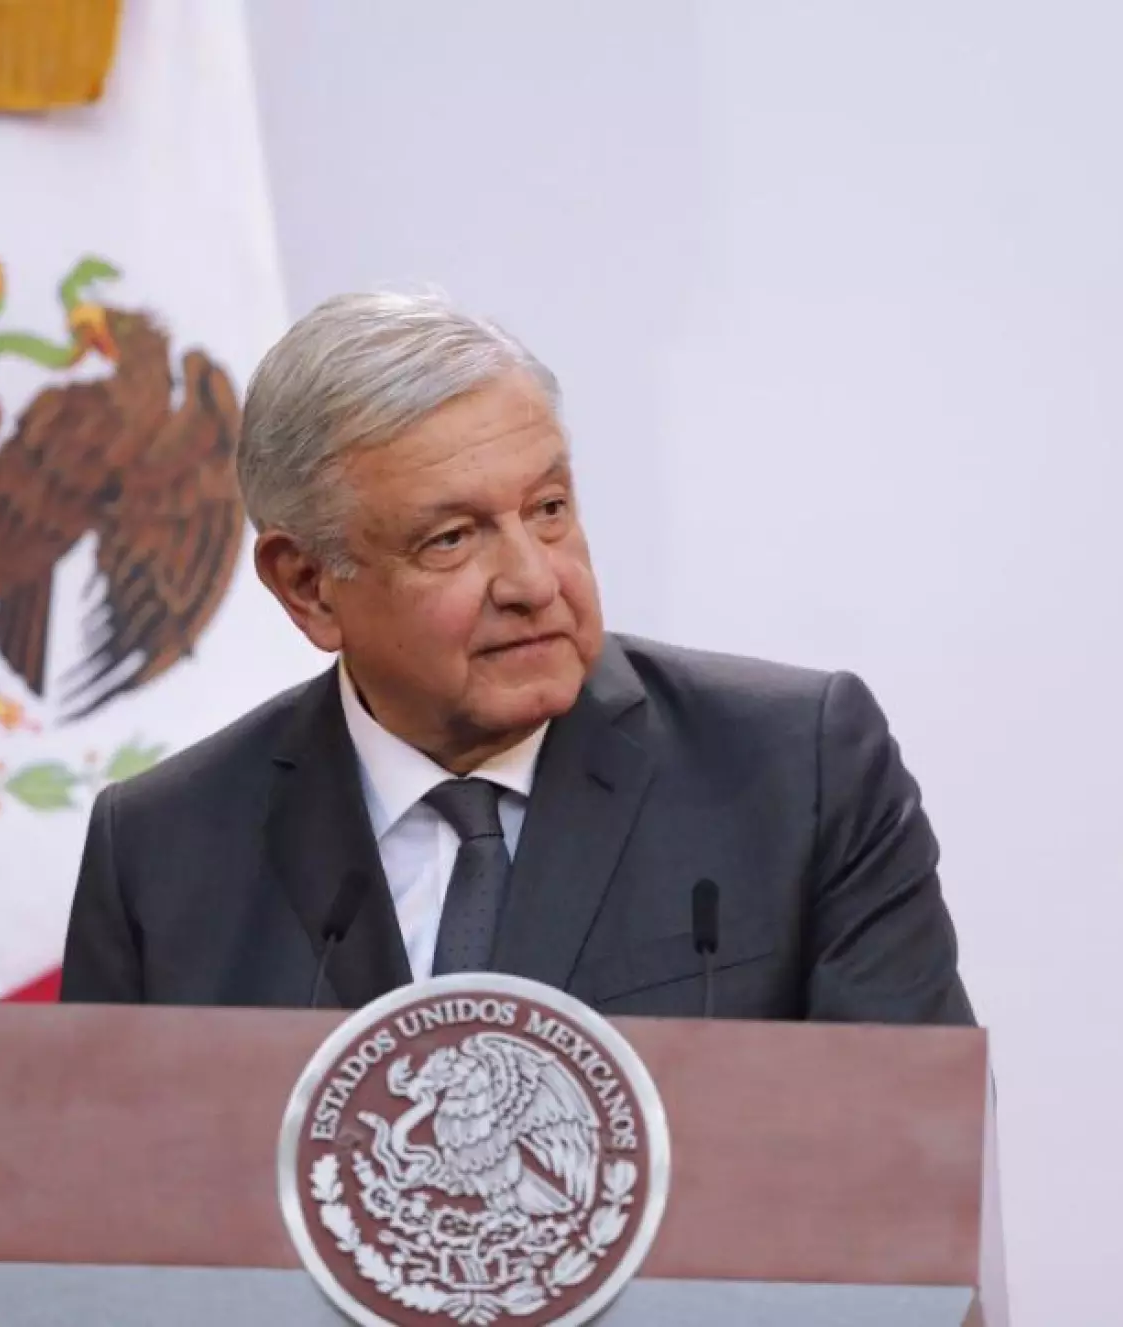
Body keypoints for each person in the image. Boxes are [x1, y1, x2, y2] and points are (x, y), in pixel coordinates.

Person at [58, 290, 974, 1024]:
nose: (535, 580)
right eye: (453, 538)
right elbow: (96, 1192)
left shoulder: (796, 771)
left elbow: (908, 1155)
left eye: (549, 509)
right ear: (308, 585)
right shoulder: (164, 854)